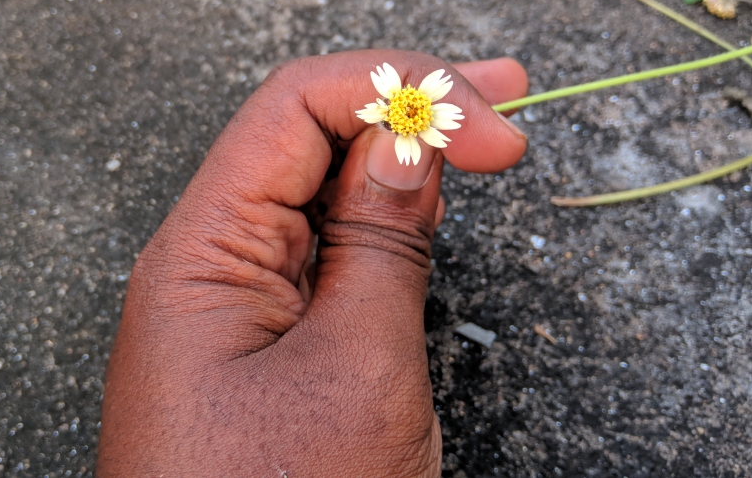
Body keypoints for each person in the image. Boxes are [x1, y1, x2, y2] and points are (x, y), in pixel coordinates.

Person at [96, 50, 529, 477]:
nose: (412, 109)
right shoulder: (394, 115)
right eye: (406, 108)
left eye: (412, 109)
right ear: (395, 109)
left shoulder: (413, 116)